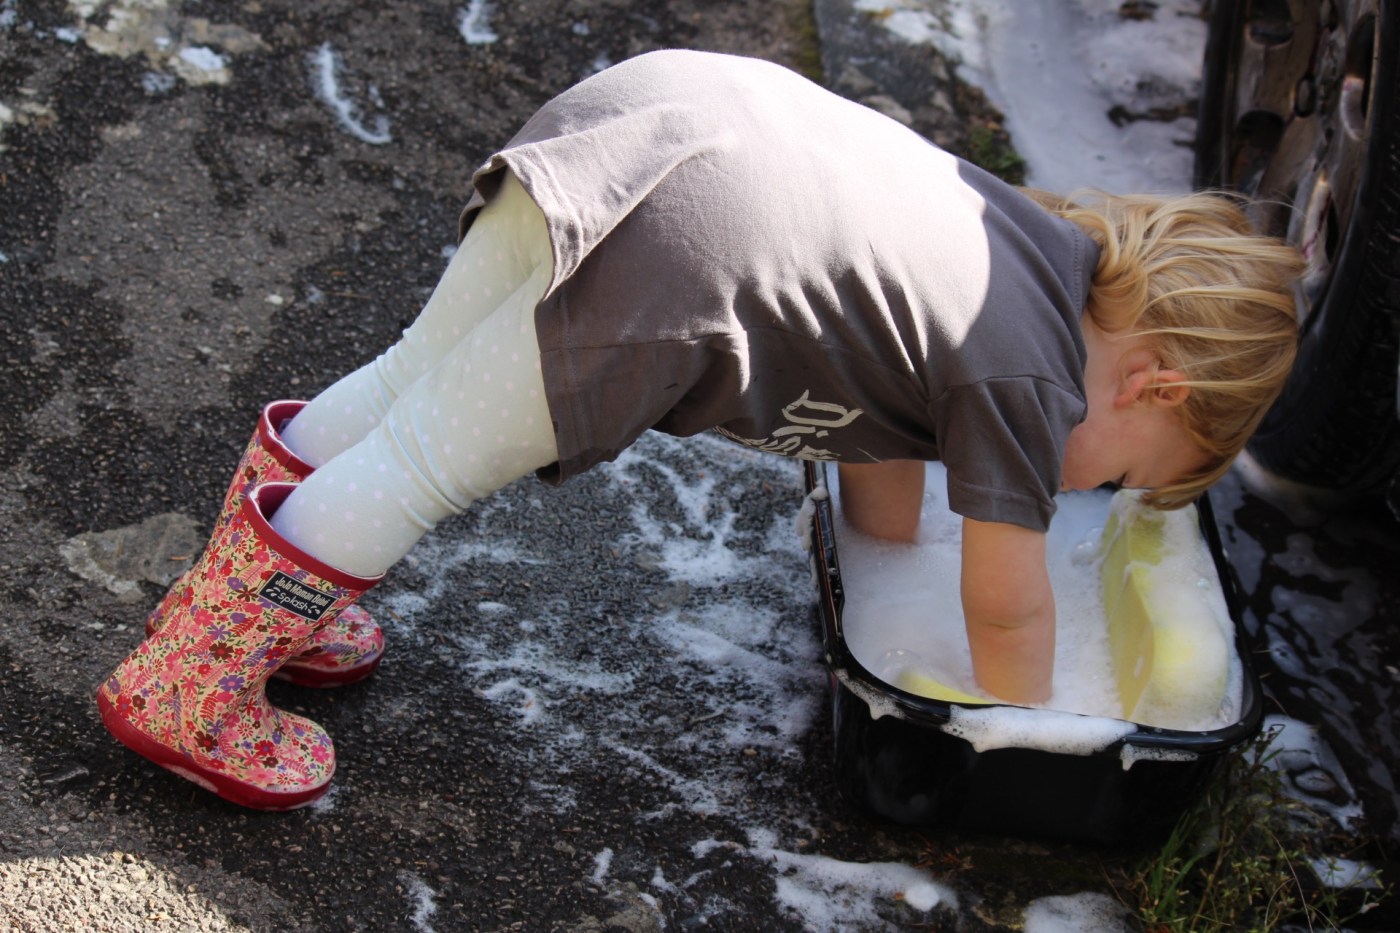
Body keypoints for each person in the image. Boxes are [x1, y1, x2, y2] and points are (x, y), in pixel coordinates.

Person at [94, 49, 1303, 810]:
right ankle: (188, 686)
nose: (1074, 489)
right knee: (420, 465)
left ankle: (233, 608)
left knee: (413, 379)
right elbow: (1007, 610)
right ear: (1152, 387)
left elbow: (884, 447)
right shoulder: (1034, 385)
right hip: (683, 262)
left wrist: (890, 553)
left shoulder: (1022, 256)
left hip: (645, 117)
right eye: (1119, 480)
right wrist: (1035, 743)